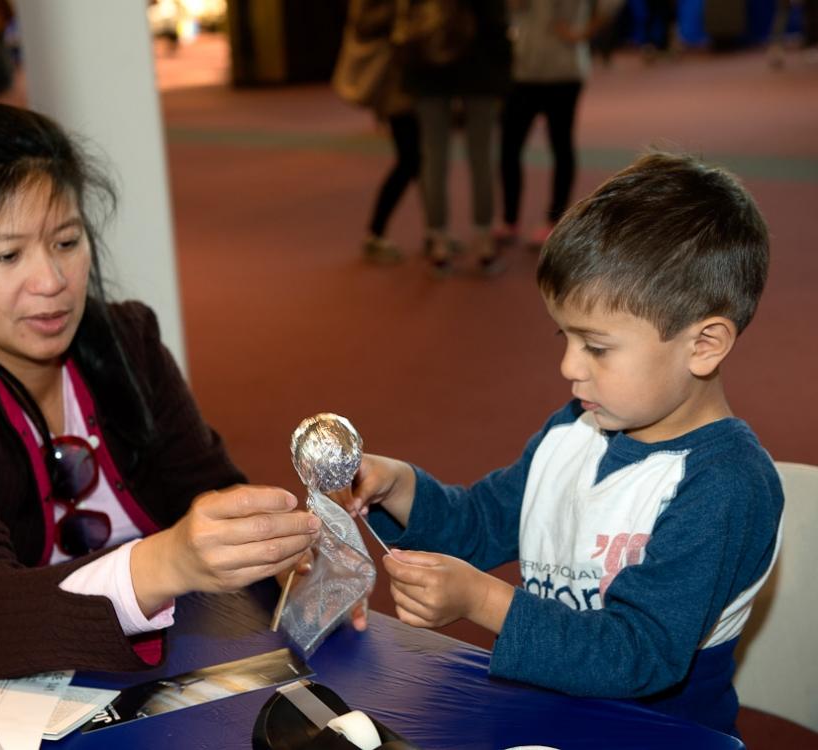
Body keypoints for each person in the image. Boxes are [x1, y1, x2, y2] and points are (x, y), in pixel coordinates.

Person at [0, 103, 320, 679]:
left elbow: (206, 487)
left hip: (163, 672)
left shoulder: (128, 341)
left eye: (67, 243)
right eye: (7, 255)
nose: (51, 283)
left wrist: (278, 552)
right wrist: (163, 562)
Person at [335, 153, 783, 736]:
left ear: (704, 345)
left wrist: (483, 602)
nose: (569, 366)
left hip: (656, 734)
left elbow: (639, 653)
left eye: (596, 347)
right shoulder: (576, 428)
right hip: (543, 715)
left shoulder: (725, 486)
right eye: (564, 337)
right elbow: (479, 521)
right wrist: (400, 487)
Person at [496, 0, 622, 249]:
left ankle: (554, 219)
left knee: (560, 144)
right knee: (509, 145)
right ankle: (510, 218)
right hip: (524, 69)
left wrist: (584, 32)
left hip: (564, 70)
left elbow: (611, 4)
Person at [403, 0, 511, 274]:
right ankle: (484, 240)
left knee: (434, 157)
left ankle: (438, 238)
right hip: (479, 72)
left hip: (428, 71)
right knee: (481, 157)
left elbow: (408, 21)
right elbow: (497, 25)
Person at [344, 0, 420, 266]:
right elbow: (364, 25)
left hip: (416, 83)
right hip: (397, 89)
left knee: (421, 163)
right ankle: (375, 232)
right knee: (410, 160)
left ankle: (436, 230)